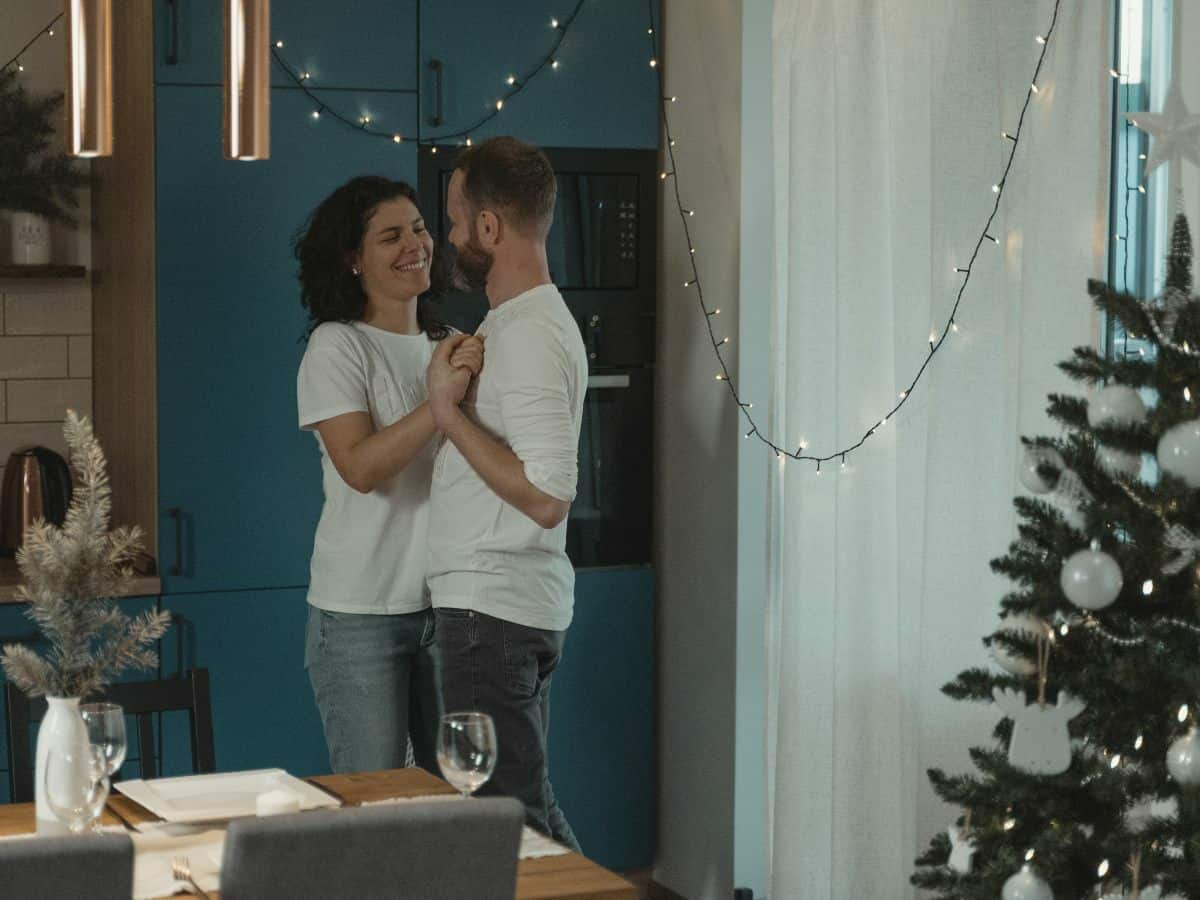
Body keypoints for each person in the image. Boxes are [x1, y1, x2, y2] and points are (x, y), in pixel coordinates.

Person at [426, 137, 586, 849]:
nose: (451, 237)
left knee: (505, 829)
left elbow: (549, 496)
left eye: (458, 221)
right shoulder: (517, 325)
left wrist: (448, 416)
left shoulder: (529, 335)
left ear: (490, 227)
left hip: (492, 617)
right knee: (529, 815)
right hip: (501, 610)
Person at [294, 175, 482, 774]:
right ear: (353, 258)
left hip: (449, 606)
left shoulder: (452, 345)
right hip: (360, 615)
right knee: (374, 808)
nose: (416, 245)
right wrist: (442, 400)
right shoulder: (337, 346)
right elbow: (360, 467)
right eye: (391, 236)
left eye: (421, 229)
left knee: (455, 798)